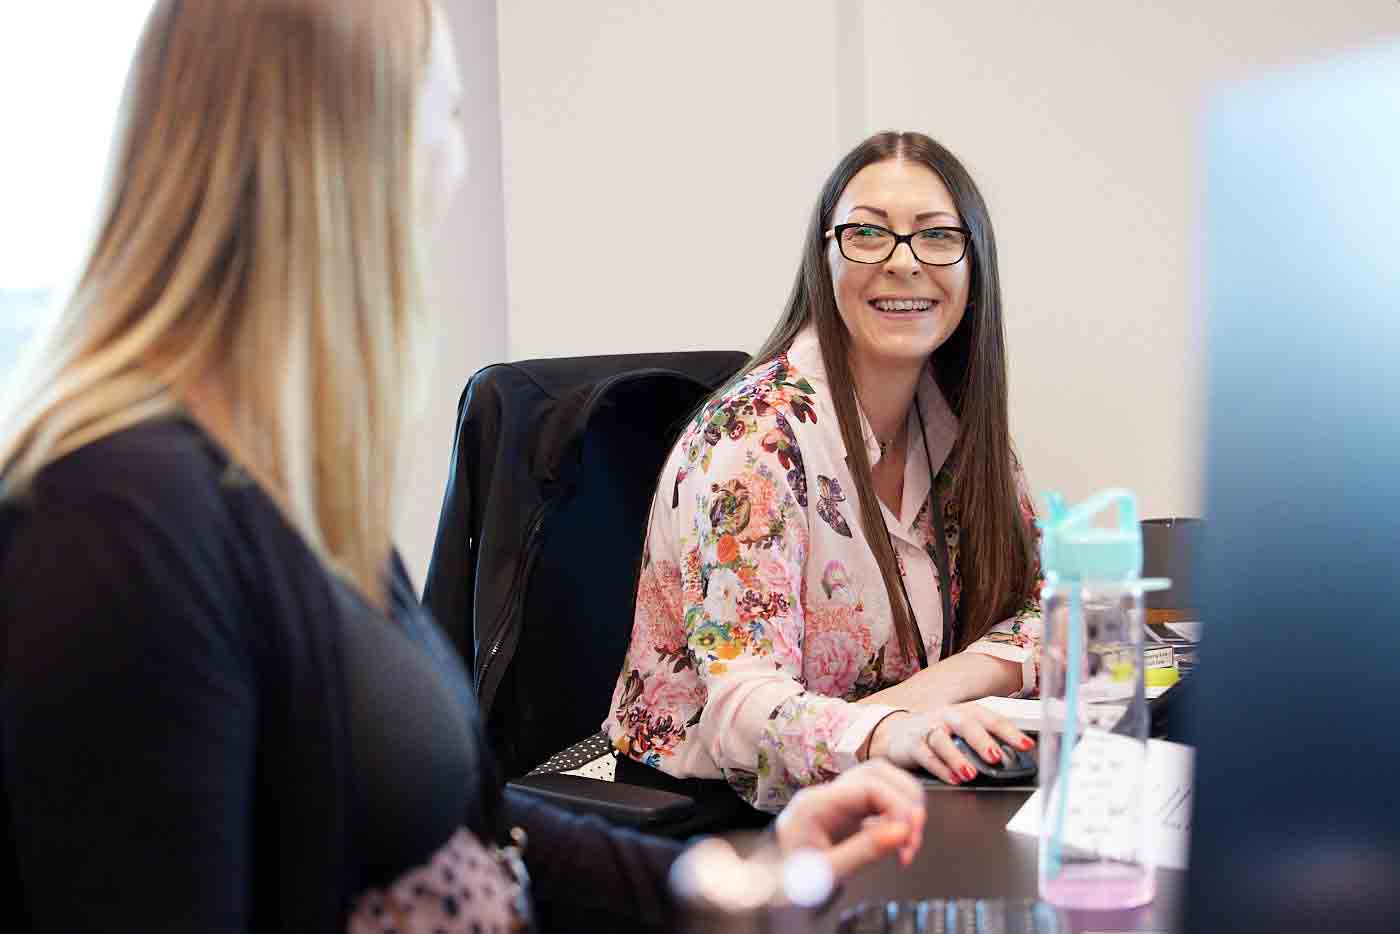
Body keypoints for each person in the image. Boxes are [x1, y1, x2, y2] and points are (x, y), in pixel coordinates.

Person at [0, 3, 927, 933]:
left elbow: (451, 815)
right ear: (350, 158)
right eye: (444, 114)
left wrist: (734, 885)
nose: (458, 160)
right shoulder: (120, 520)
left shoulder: (281, 480)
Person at [605, 131, 1041, 813]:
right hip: (710, 819)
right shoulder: (752, 441)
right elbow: (744, 714)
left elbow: (1050, 610)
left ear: (973, 270)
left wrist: (923, 699)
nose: (903, 263)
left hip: (889, 788)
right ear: (824, 259)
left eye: (935, 236)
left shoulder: (956, 430)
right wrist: (890, 730)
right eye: (867, 234)